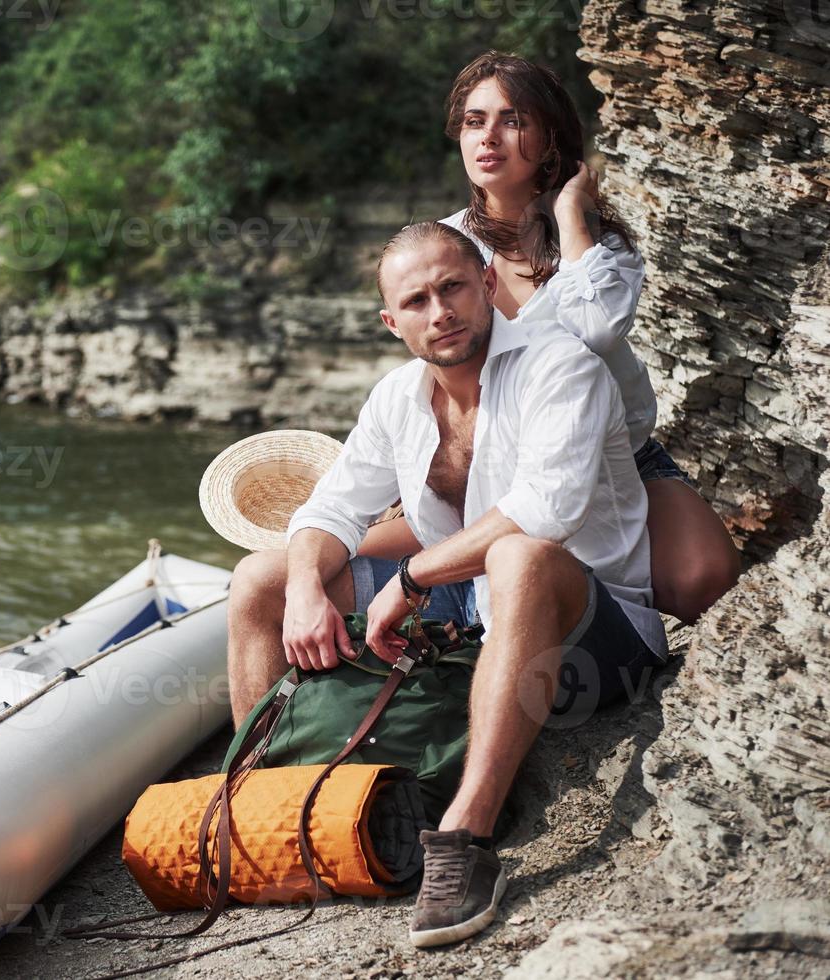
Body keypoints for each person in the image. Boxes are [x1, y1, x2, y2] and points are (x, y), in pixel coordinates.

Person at [225, 221, 665, 948]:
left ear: (486, 283)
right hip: (465, 603)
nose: (441, 312)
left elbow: (545, 512)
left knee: (518, 555)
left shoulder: (561, 366)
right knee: (259, 581)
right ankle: (263, 801)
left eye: (452, 287)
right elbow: (330, 508)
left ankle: (465, 841)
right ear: (390, 322)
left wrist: (410, 576)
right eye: (418, 300)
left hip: (594, 629)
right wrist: (304, 585)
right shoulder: (396, 397)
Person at [358, 52, 740, 624]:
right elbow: (429, 358)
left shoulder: (599, 246)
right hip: (493, 470)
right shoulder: (446, 247)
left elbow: (595, 328)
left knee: (702, 583)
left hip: (619, 459)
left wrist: (568, 213)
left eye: (512, 120)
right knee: (342, 547)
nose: (489, 137)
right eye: (473, 120)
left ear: (551, 137)